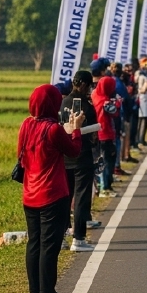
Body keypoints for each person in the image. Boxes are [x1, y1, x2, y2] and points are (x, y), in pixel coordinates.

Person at [20, 85, 85, 293]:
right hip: (52, 194)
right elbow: (74, 150)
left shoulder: (26, 125)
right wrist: (76, 128)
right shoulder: (54, 129)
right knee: (50, 246)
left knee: (34, 244)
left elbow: (21, 158)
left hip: (29, 194)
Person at [61, 71, 99, 252]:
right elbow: (93, 134)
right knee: (81, 199)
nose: (90, 89)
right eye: (90, 86)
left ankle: (61, 237)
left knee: (63, 198)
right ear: (83, 84)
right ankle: (79, 239)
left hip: (64, 157)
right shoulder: (87, 106)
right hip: (82, 157)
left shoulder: (63, 102)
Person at [93, 76, 120, 198]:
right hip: (105, 134)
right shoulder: (106, 102)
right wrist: (118, 103)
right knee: (107, 161)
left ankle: (101, 186)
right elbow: (114, 112)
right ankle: (105, 187)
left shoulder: (94, 96)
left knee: (99, 161)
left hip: (95, 133)